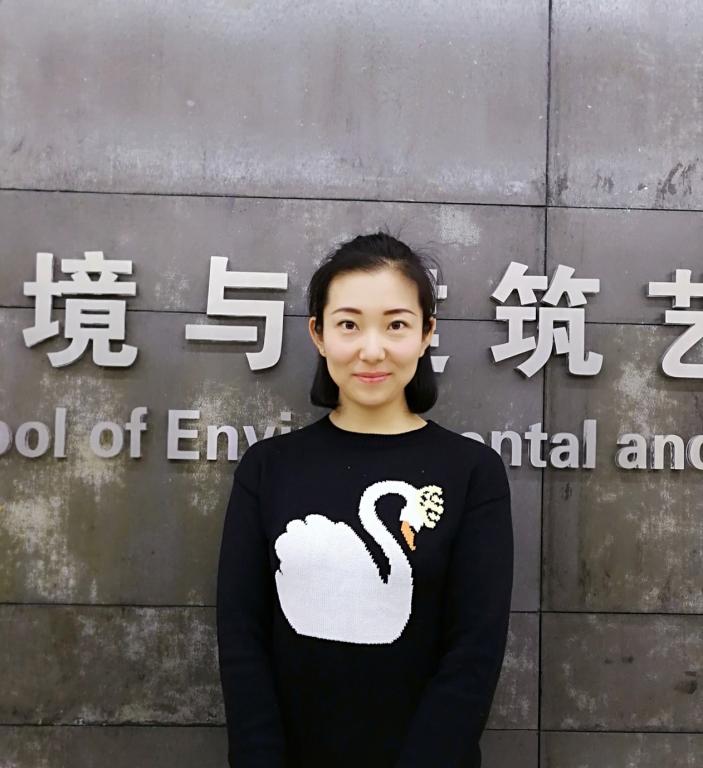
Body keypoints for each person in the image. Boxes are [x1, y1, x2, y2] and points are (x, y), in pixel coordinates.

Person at [216, 230, 514, 768]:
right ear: (318, 333)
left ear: (426, 333)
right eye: (349, 324)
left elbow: (474, 652)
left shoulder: (472, 473)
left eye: (396, 325)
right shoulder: (269, 468)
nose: (371, 350)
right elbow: (242, 639)